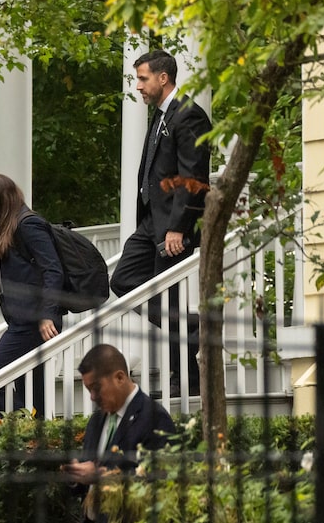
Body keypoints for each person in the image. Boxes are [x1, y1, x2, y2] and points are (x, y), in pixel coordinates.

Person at [109, 49, 212, 395]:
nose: (138, 86)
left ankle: (186, 379)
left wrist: (179, 227)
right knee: (124, 280)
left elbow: (192, 177)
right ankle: (193, 330)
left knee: (169, 302)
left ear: (163, 78)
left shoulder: (189, 117)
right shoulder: (160, 116)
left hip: (173, 226)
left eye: (142, 78)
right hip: (151, 223)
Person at [0, 173, 64, 417]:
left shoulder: (28, 225)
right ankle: (32, 438)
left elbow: (53, 269)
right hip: (24, 322)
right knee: (34, 394)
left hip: (34, 324)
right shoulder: (14, 226)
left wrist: (48, 315)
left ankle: (9, 427)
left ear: (0, 200)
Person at [63, 344, 175, 522]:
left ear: (120, 378)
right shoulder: (96, 421)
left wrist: (102, 477)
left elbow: (159, 483)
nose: (92, 397)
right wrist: (76, 477)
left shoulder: (155, 418)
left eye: (96, 388)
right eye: (88, 390)